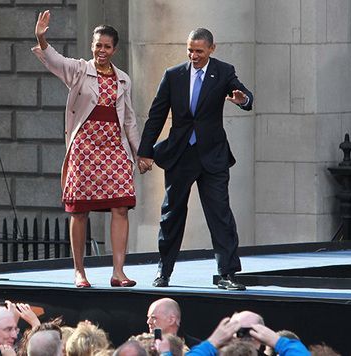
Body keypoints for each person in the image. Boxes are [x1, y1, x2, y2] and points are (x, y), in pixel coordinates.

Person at [137, 28, 253, 289]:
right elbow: (156, 115)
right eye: (190, 50)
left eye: (199, 51)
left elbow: (244, 95)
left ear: (212, 49)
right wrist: (145, 152)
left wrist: (243, 100)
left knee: (220, 213)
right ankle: (163, 272)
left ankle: (228, 274)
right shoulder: (173, 75)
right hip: (180, 155)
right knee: (172, 214)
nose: (193, 55)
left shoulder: (223, 71)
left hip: (213, 156)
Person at [33, 10, 141, 288]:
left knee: (121, 205)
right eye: (97, 45)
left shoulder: (123, 79)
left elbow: (129, 118)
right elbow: (55, 60)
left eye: (107, 46)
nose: (101, 50)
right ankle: (79, 271)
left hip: (114, 147)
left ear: (114, 49)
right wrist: (42, 38)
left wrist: (139, 152)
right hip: (84, 147)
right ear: (91, 46)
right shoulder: (80, 70)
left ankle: (118, 271)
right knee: (79, 210)